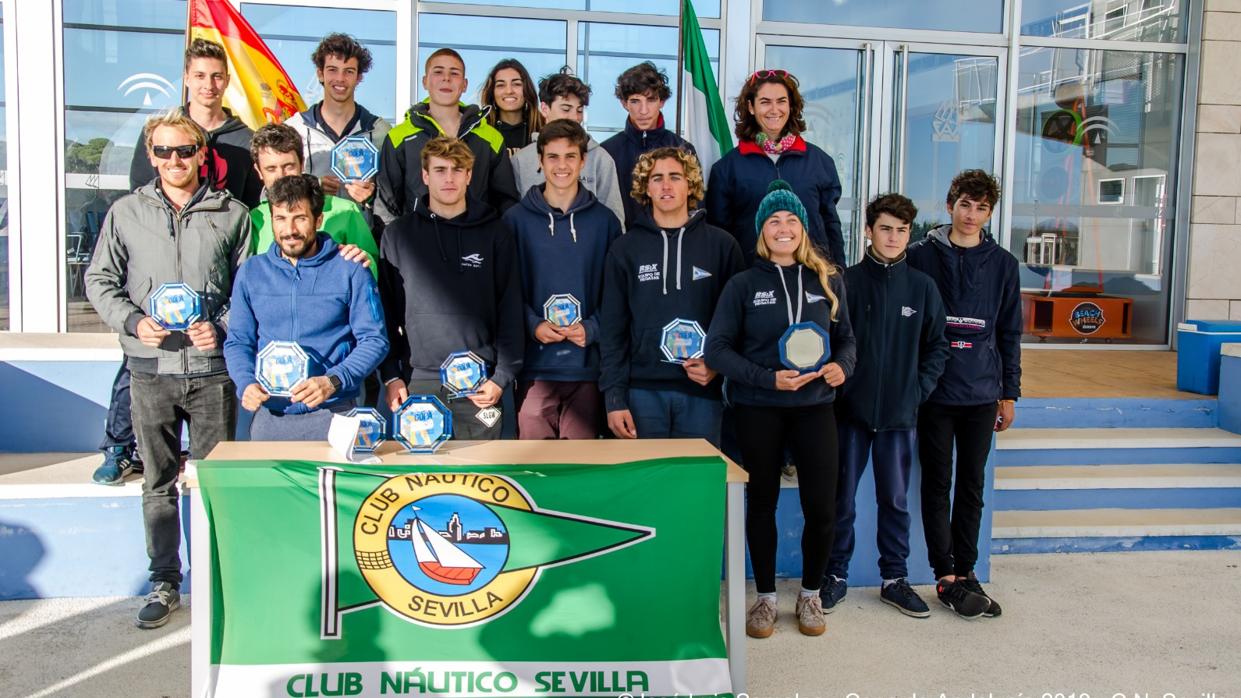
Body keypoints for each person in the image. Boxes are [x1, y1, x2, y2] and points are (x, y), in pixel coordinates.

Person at [86, 110, 252, 628]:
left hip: (211, 370)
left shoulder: (233, 213)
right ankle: (164, 579)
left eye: (185, 150)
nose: (174, 160)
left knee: (212, 481)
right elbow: (99, 280)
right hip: (150, 370)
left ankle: (214, 580)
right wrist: (134, 322)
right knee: (158, 480)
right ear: (151, 154)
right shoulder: (125, 213)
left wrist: (221, 326)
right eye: (163, 151)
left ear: (203, 154)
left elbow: (247, 290)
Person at [95, 37, 260, 486]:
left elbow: (250, 207)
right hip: (156, 305)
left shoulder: (243, 139)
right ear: (187, 79)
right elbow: (138, 202)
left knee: (212, 460)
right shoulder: (163, 132)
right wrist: (132, 317)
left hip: (209, 273)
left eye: (217, 76)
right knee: (135, 369)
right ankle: (117, 445)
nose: (209, 84)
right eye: (200, 76)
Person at [704, 180, 855, 640]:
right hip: (759, 407)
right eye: (774, 220)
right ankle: (766, 598)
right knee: (762, 503)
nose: (783, 228)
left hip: (814, 408)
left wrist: (841, 368)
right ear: (762, 230)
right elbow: (717, 351)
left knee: (821, 506)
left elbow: (847, 340)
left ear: (803, 229)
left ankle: (810, 593)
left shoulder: (827, 281)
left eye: (791, 220)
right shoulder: (744, 284)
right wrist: (766, 378)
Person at [822, 193, 948, 618]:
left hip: (899, 415)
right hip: (849, 414)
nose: (893, 237)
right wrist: (839, 391)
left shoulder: (923, 287)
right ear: (868, 231)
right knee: (842, 499)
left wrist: (916, 392)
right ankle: (834, 575)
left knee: (894, 500)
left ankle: (894, 579)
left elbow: (937, 348)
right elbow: (832, 342)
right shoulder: (847, 282)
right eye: (885, 228)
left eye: (901, 230)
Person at [906, 169, 1021, 620]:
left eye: (982, 208)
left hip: (981, 393)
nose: (972, 215)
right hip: (935, 392)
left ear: (989, 213)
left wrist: (1008, 392)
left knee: (972, 485)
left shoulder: (1004, 264)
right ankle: (944, 573)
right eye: (965, 205)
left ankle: (968, 571)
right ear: (950, 204)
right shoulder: (920, 256)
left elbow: (1010, 332)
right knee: (938, 483)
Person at [379, 136, 523, 440]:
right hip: (419, 381)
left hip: (481, 384)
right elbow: (386, 314)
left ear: (469, 176)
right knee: (422, 484)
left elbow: (510, 308)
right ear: (425, 175)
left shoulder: (496, 233)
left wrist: (502, 377)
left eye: (458, 170)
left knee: (480, 482)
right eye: (440, 170)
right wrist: (392, 375)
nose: (449, 178)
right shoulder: (398, 235)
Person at [224, 175, 388, 440]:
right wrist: (245, 382)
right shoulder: (251, 272)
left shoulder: (350, 269)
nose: (289, 230)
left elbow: (374, 340)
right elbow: (238, 341)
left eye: (299, 217)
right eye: (280, 219)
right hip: (270, 417)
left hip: (334, 412)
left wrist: (333, 380)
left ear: (318, 219)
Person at [598, 147, 743, 446]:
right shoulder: (625, 248)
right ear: (645, 188)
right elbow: (612, 330)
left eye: (675, 177)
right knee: (644, 491)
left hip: (703, 392)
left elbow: (739, 322)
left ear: (690, 184)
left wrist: (718, 365)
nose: (666, 186)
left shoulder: (723, 246)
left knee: (696, 490)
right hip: (641, 394)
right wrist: (614, 397)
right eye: (657, 178)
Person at [505, 120, 622, 439]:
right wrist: (532, 324)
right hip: (534, 369)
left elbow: (615, 294)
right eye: (553, 157)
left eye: (570, 156)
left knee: (578, 476)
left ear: (583, 161)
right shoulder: (515, 220)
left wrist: (593, 327)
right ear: (540, 161)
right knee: (534, 472)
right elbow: (506, 289)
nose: (562, 165)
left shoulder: (605, 222)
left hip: (586, 368)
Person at [705, 69, 845, 268]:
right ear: (751, 107)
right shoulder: (727, 168)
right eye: (765, 102)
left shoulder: (819, 162)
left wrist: (838, 275)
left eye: (781, 101)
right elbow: (719, 234)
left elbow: (831, 225)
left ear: (791, 106)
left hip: (811, 280)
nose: (774, 109)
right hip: (753, 282)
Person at [376, 48, 519, 224]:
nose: (446, 78)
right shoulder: (400, 137)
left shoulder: (491, 138)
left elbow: (505, 201)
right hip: (418, 244)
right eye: (438, 72)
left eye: (454, 73)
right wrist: (396, 246)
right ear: (425, 81)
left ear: (464, 84)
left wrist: (493, 242)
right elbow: (386, 204)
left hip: (475, 242)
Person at [283, 33, 391, 222]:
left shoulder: (381, 132)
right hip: (310, 243)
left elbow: (394, 195)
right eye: (333, 70)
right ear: (320, 73)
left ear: (358, 77)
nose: (340, 79)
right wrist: (312, 188)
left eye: (349, 71)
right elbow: (276, 189)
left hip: (362, 242)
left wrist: (372, 196)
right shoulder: (294, 129)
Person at [248, 124, 379, 277]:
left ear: (302, 163)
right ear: (259, 171)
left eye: (288, 166)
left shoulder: (345, 210)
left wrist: (364, 259)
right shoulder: (255, 219)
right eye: (271, 169)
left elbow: (372, 268)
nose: (281, 175)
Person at [511, 68, 625, 226]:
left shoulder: (600, 158)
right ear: (545, 109)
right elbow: (513, 222)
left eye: (579, 110)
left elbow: (615, 221)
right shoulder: (521, 160)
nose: (574, 117)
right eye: (566, 109)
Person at [600, 62, 696, 229]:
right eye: (635, 101)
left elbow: (695, 206)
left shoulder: (683, 149)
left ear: (662, 101)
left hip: (672, 246)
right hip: (623, 247)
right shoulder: (608, 152)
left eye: (651, 100)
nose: (643, 111)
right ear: (624, 103)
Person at [480, 58, 542, 153]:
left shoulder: (542, 129)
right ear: (492, 92)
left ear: (527, 89)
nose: (509, 91)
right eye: (501, 85)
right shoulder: (480, 130)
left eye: (516, 84)